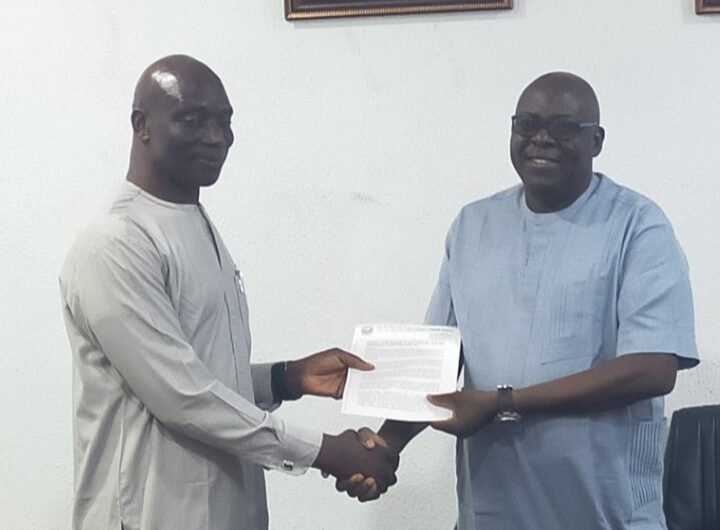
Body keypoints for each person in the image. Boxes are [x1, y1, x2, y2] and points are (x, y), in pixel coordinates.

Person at [340, 72, 699, 529]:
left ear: (596, 141)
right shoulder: (472, 227)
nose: (541, 138)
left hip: (604, 515)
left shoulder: (639, 227)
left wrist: (504, 402)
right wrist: (386, 446)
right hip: (492, 513)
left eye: (563, 127)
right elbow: (436, 365)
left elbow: (654, 367)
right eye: (527, 123)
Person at [59, 54, 397, 530]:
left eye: (225, 120)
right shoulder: (115, 243)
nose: (216, 136)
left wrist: (286, 379)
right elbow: (183, 398)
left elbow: (200, 372)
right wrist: (327, 451)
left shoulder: (195, 222)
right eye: (192, 119)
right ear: (142, 125)